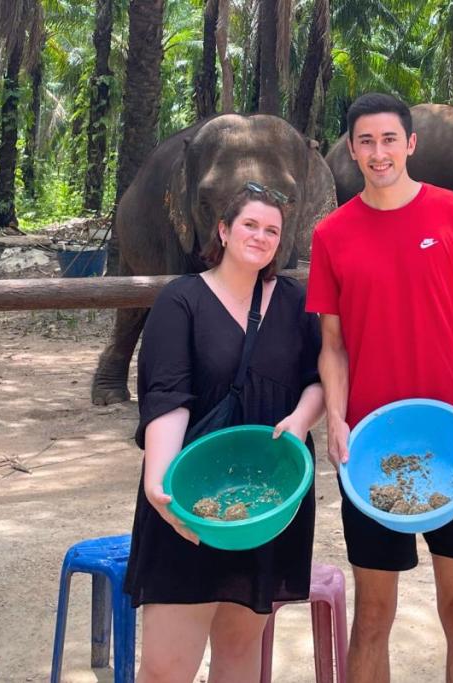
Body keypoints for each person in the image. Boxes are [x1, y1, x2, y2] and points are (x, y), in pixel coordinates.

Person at [306, 92, 453, 682]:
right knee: (372, 617)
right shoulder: (331, 234)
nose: (378, 152)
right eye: (365, 141)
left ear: (410, 143)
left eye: (389, 139)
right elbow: (332, 345)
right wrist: (335, 419)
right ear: (351, 149)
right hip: (367, 449)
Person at [124, 184, 325, 683]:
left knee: (240, 656)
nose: (260, 236)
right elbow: (167, 396)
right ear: (223, 230)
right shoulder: (181, 300)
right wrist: (160, 484)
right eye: (250, 225)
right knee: (167, 668)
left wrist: (300, 421)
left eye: (272, 230)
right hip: (192, 494)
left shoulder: (296, 303)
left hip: (266, 499)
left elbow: (319, 379)